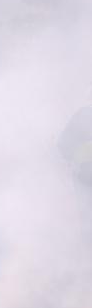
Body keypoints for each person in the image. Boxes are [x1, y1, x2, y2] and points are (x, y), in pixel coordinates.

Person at [58, 91, 92, 239]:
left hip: (84, 172)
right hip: (84, 171)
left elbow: (63, 143)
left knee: (86, 209)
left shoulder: (82, 115)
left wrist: (70, 159)